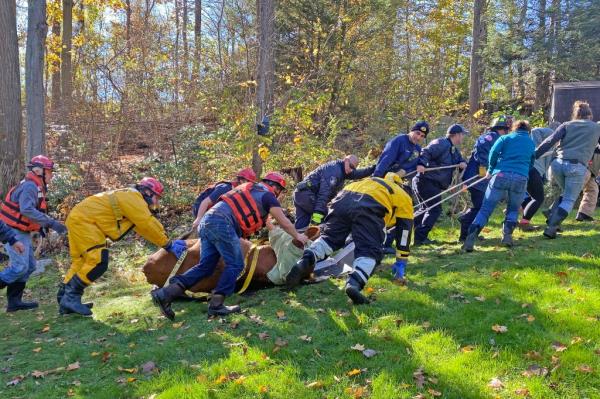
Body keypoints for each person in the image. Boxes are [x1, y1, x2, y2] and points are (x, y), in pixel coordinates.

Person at [151, 172, 308, 319]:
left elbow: (263, 221)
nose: (279, 194)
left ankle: (165, 294)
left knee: (206, 266)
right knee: (236, 264)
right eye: (280, 190)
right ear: (276, 187)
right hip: (222, 223)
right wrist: (298, 236)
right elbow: (285, 223)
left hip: (208, 220)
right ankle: (217, 304)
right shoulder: (268, 196)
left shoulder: (251, 190)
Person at [58, 177, 187, 316]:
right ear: (148, 192)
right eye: (157, 197)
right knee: (98, 261)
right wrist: (168, 244)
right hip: (85, 221)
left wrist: (165, 242)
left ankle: (64, 298)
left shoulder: (129, 196)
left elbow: (142, 227)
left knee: (81, 261)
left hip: (78, 218)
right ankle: (71, 298)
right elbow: (147, 223)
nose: (157, 202)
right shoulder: (133, 198)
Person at [286, 172, 413, 304]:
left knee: (329, 239)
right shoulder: (403, 196)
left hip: (343, 198)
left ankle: (303, 262)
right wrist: (401, 260)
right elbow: (404, 232)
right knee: (369, 251)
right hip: (370, 206)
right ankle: (354, 284)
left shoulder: (371, 181)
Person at [0, 156, 67, 312]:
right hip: (12, 231)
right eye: (50, 172)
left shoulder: (34, 187)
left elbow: (31, 212)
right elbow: (27, 209)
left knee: (29, 266)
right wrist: (51, 223)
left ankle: (14, 302)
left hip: (21, 230)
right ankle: (14, 302)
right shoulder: (30, 186)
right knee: (20, 267)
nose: (51, 175)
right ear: (39, 171)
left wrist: (40, 226)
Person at [463, 120, 536, 252]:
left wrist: (490, 170)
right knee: (513, 209)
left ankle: (471, 238)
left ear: (514, 128)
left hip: (500, 175)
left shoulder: (505, 138)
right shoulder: (531, 142)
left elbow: (493, 153)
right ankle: (507, 237)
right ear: (528, 130)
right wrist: (524, 171)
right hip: (520, 177)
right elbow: (532, 161)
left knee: (485, 210)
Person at [535, 101, 600, 238]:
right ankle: (551, 227)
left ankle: (552, 214)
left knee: (567, 193)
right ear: (590, 114)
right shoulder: (596, 128)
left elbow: (549, 141)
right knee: (570, 199)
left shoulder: (566, 125)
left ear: (575, 114)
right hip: (576, 166)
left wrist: (533, 156)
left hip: (557, 164)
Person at [412, 124, 468, 245]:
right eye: (462, 135)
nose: (463, 137)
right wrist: (421, 164)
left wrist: (462, 163)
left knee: (424, 209)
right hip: (426, 180)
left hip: (432, 182)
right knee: (434, 210)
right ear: (457, 135)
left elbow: (459, 159)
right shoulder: (441, 143)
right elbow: (426, 152)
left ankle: (411, 234)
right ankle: (419, 237)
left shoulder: (453, 148)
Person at [459, 116, 511, 240]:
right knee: (480, 207)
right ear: (502, 129)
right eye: (506, 130)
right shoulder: (487, 138)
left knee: (482, 206)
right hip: (476, 177)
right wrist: (492, 167)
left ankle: (469, 232)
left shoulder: (498, 139)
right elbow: (482, 156)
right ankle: (466, 229)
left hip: (484, 179)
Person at [293, 155, 374, 230]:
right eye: (351, 166)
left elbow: (358, 174)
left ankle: (297, 242)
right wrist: (317, 219)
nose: (351, 170)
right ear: (345, 160)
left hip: (300, 194)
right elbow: (323, 195)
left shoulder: (343, 169)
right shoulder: (334, 171)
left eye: (353, 168)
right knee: (329, 218)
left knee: (300, 227)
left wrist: (374, 168)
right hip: (307, 195)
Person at [518, 123, 559, 230]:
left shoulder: (553, 144)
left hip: (534, 169)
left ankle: (518, 215)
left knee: (532, 197)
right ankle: (524, 223)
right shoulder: (551, 133)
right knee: (538, 198)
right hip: (533, 168)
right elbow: (535, 131)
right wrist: (538, 148)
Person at [191, 168, 257, 229]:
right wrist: (199, 218)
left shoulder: (238, 191)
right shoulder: (226, 188)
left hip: (214, 212)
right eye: (248, 182)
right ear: (241, 180)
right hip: (201, 208)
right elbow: (205, 202)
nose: (249, 186)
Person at [575, 146, 600, 221]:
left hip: (593, 168)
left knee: (593, 190)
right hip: (587, 163)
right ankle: (553, 211)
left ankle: (584, 214)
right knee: (573, 190)